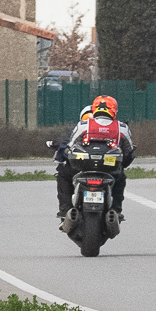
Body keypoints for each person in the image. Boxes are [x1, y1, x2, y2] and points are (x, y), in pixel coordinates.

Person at [57, 95, 135, 227]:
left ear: (94, 109)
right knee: (120, 179)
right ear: (114, 110)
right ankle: (116, 210)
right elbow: (129, 153)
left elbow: (71, 146)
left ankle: (65, 211)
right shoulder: (121, 128)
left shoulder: (83, 125)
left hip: (82, 168)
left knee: (63, 174)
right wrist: (122, 165)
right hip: (110, 170)